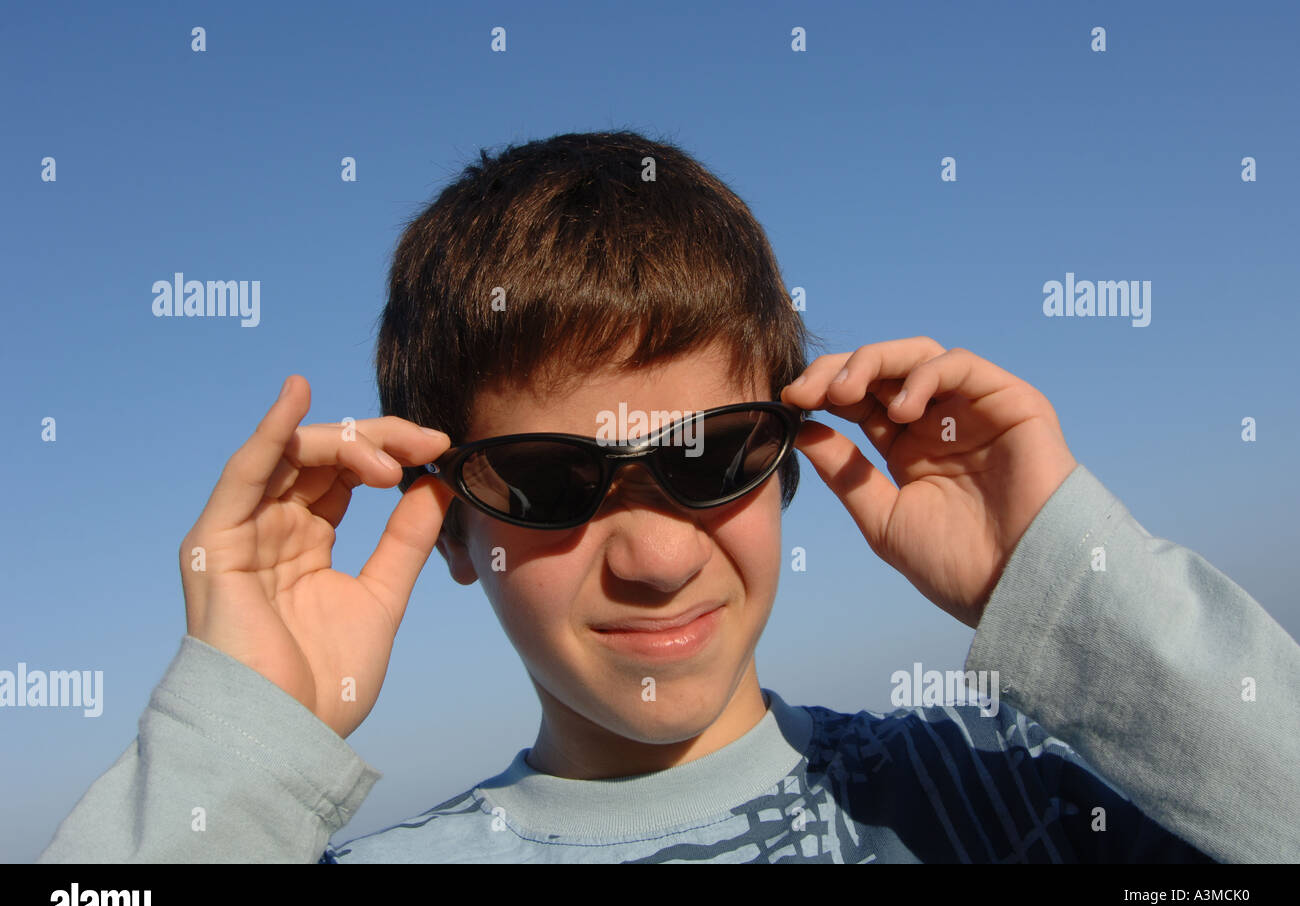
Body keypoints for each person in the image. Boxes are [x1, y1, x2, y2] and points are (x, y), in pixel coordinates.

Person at [38, 131, 1298, 863]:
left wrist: (1068, 579)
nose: (648, 555)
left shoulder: (1008, 801)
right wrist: (240, 739)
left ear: (792, 457)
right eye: (543, 483)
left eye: (708, 457)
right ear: (455, 526)